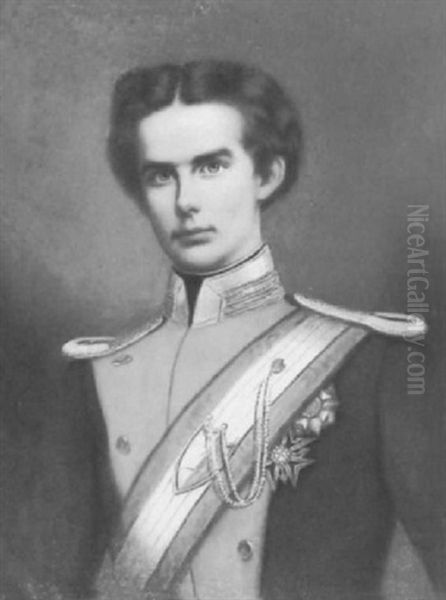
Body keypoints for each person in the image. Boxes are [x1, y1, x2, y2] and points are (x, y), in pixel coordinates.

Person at [19, 60, 444, 600]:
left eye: (211, 166)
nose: (185, 201)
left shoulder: (372, 361)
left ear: (267, 175)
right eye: (161, 175)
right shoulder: (89, 378)